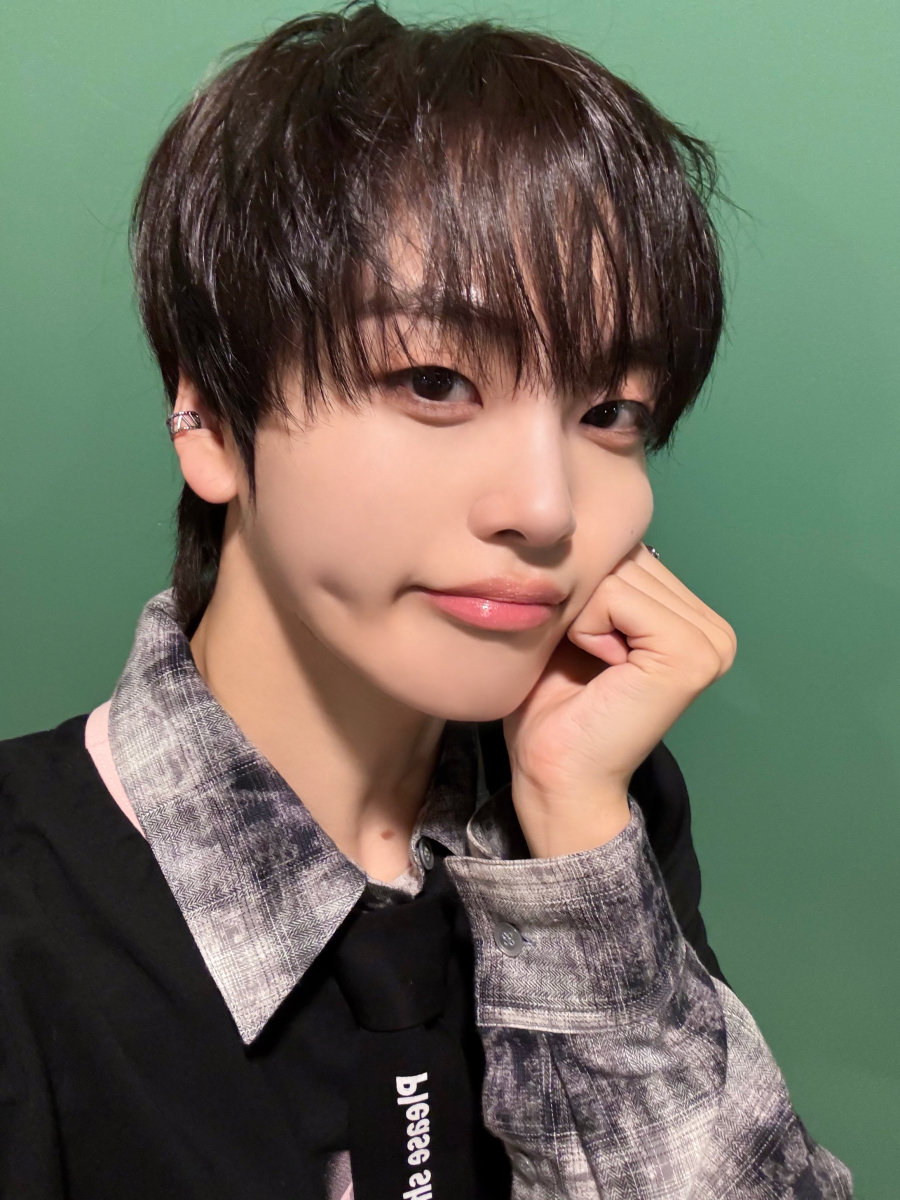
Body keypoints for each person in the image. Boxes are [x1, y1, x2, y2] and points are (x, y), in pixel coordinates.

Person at [0, 3, 853, 1197]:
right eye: (436, 380)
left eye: (611, 412)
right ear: (209, 419)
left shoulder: (595, 809)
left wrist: (577, 855)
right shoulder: (29, 903)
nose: (546, 508)